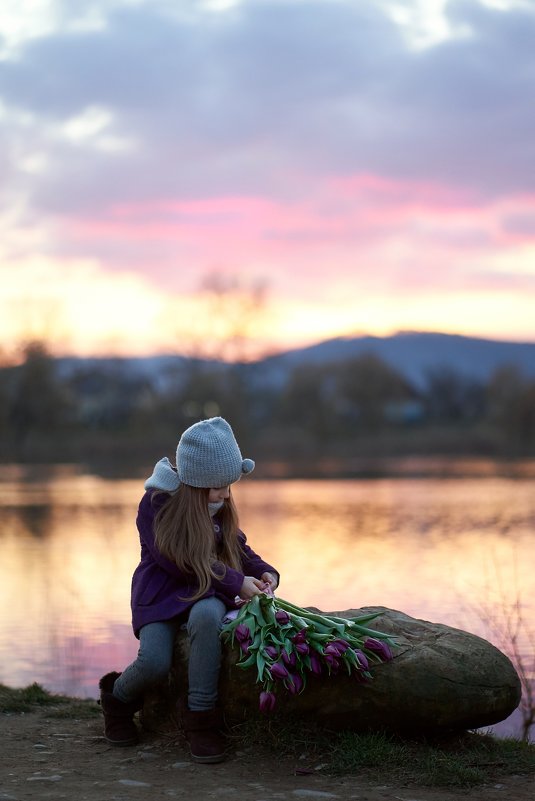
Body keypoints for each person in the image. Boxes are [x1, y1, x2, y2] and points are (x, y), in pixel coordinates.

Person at [98, 417, 279, 764]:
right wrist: (236, 581)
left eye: (229, 486)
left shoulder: (219, 506)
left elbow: (239, 550)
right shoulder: (156, 505)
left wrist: (265, 573)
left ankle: (201, 719)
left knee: (209, 617)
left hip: (206, 593)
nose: (226, 494)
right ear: (195, 482)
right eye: (218, 487)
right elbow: (178, 558)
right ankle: (118, 702)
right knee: (153, 661)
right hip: (161, 596)